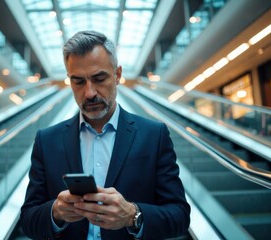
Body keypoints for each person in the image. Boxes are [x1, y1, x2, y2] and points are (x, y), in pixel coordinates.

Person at [20, 30, 190, 240]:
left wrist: (133, 215)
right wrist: (55, 212)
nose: (90, 93)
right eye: (78, 82)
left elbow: (180, 216)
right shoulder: (46, 141)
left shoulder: (154, 136)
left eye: (99, 78)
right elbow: (27, 219)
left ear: (117, 75)